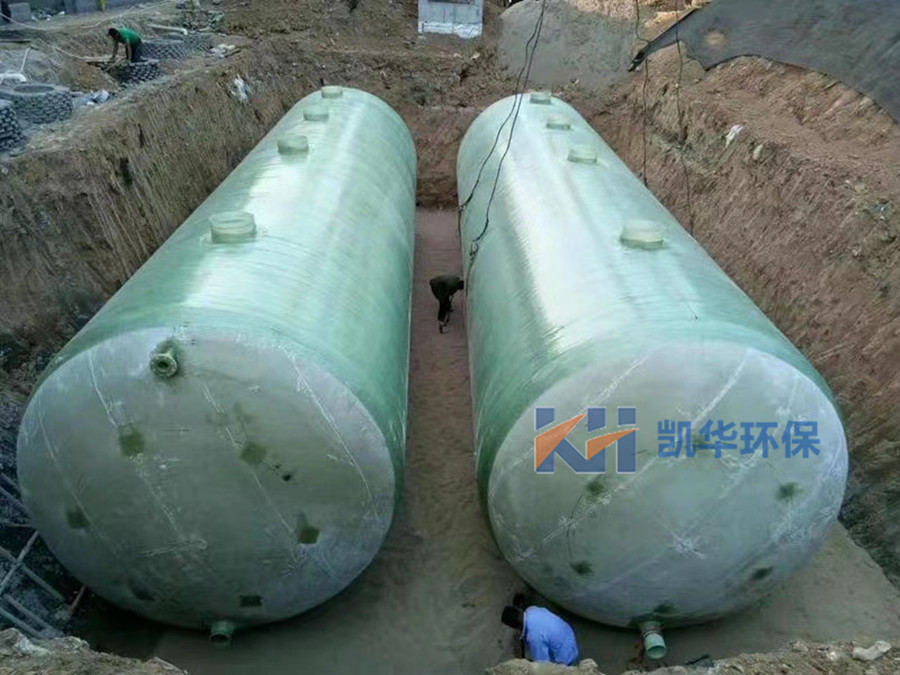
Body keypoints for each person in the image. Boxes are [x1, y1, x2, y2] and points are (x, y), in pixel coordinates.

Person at [501, 605, 580, 666]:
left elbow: (543, 665)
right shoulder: (531, 610)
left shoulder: (534, 637)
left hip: (565, 655)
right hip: (568, 634)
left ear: (514, 626)